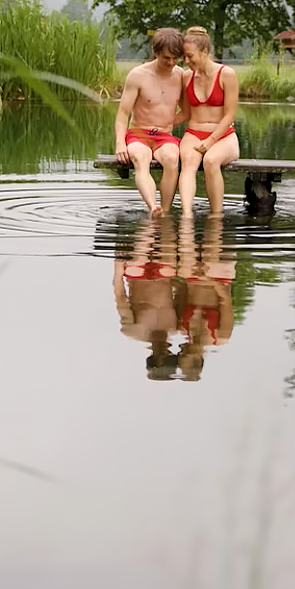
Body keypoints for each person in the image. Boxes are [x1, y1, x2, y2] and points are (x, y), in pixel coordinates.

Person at [114, 27, 187, 216]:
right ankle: (153, 206)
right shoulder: (138, 75)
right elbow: (122, 114)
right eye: (166, 58)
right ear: (155, 53)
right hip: (138, 134)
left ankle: (165, 209)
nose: (171, 62)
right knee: (140, 157)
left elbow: (187, 112)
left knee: (172, 159)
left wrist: (168, 123)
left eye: (175, 58)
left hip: (165, 136)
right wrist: (120, 143)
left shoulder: (181, 76)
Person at [176, 26, 241, 216]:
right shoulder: (186, 77)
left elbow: (229, 115)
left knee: (211, 161)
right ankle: (187, 214)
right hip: (194, 133)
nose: (186, 61)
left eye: (190, 56)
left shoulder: (226, 74)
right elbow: (185, 113)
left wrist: (211, 140)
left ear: (205, 52)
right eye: (184, 57)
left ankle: (216, 215)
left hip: (223, 136)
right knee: (188, 161)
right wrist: (159, 126)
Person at [113, 217, 181, 380]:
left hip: (138, 273)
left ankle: (150, 216)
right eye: (167, 354)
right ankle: (160, 216)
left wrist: (118, 268)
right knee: (169, 257)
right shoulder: (178, 326)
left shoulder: (132, 330)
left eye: (162, 354)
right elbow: (182, 289)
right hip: (164, 273)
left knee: (139, 257)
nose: (165, 349)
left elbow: (120, 297)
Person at [174, 214, 236, 381]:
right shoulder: (220, 336)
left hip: (193, 278)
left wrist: (176, 277)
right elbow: (226, 300)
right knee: (211, 257)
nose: (181, 350)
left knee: (186, 259)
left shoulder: (182, 327)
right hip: (219, 281)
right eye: (185, 355)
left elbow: (181, 290)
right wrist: (210, 279)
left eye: (181, 354)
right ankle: (215, 216)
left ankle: (187, 215)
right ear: (197, 359)